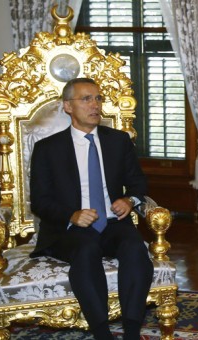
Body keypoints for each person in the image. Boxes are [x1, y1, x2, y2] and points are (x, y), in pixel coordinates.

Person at [30, 78, 153, 340]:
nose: (95, 105)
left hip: (113, 223)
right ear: (67, 106)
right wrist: (71, 215)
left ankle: (132, 330)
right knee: (86, 250)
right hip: (70, 228)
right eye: (86, 99)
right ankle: (102, 333)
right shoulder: (47, 149)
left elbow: (138, 182)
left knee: (135, 247)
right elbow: (39, 200)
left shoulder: (118, 141)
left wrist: (130, 200)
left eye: (98, 98)